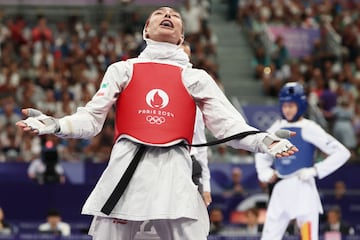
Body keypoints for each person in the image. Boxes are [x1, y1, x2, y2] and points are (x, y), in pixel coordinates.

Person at [16, 7, 297, 240]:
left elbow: (229, 126)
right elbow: (91, 119)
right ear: (146, 31)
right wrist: (57, 125)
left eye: (174, 15)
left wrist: (265, 141)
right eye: (159, 13)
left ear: (181, 37)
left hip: (175, 173)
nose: (167, 14)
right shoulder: (123, 69)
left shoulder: (196, 77)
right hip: (124, 172)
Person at [254, 82, 351, 240]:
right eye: (284, 105)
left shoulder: (309, 128)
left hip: (303, 189)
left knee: (308, 237)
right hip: (280, 189)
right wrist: (265, 173)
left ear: (300, 105)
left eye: (291, 105)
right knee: (269, 237)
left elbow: (342, 153)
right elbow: (260, 153)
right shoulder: (276, 129)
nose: (287, 109)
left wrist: (316, 170)